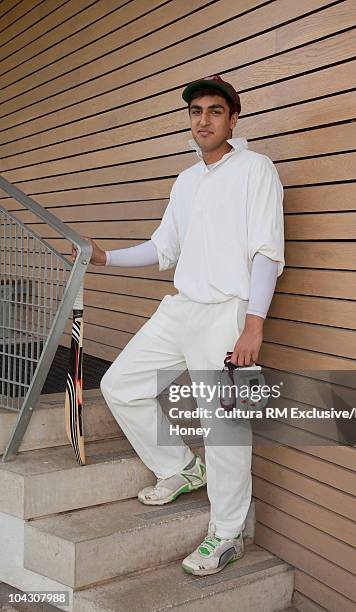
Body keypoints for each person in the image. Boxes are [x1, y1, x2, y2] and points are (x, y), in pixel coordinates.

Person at [71, 75, 285, 576]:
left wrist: (253, 324)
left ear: (234, 118)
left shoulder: (256, 170)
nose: (204, 120)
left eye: (214, 111)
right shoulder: (187, 180)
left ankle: (227, 533)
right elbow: (162, 247)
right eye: (196, 112)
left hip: (228, 312)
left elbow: (266, 254)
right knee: (122, 384)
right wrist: (104, 258)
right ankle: (181, 468)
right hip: (181, 307)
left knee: (225, 428)